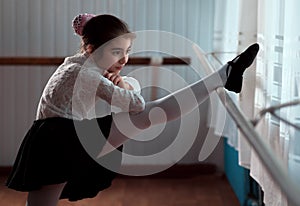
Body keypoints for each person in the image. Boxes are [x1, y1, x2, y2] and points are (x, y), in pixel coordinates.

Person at [5, 13, 259, 206]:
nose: (123, 59)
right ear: (92, 50)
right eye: (116, 52)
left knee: (41, 202)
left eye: (126, 52)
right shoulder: (88, 75)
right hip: (60, 137)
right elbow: (135, 103)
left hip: (53, 135)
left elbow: (130, 101)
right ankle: (222, 76)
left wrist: (122, 84)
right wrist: (124, 84)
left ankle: (223, 76)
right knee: (150, 113)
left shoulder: (76, 64)